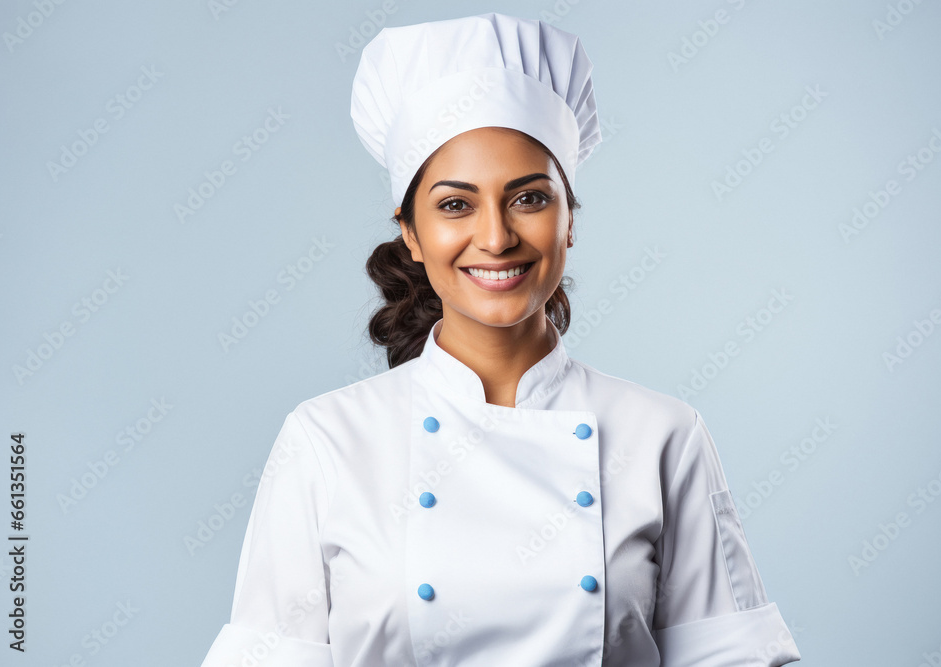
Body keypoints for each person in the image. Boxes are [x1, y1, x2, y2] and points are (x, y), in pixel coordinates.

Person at [200, 12, 801, 666]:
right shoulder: (324, 442)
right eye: (456, 204)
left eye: (529, 198)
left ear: (570, 219)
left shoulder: (663, 435)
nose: (495, 237)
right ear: (410, 230)